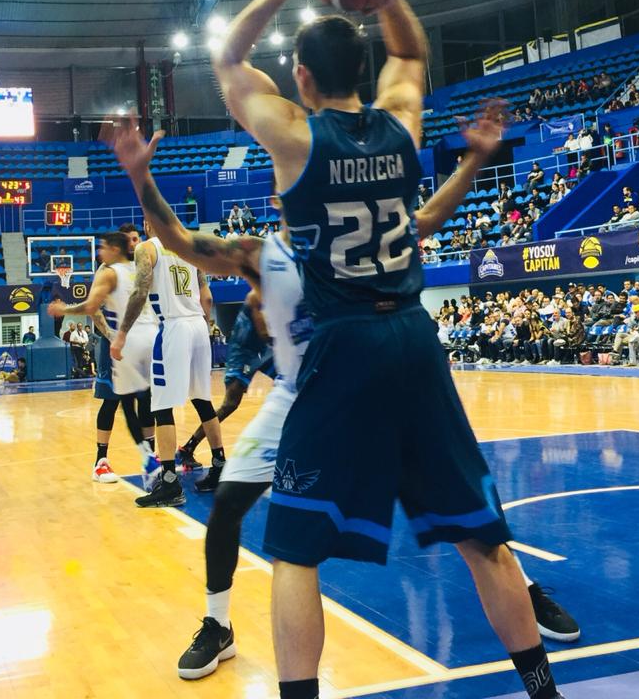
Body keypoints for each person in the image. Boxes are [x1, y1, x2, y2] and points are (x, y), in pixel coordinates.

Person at [210, 0, 562, 699]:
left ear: (301, 78)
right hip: (413, 335)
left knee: (296, 547)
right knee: (484, 538)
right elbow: (411, 55)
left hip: (343, 345)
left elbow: (228, 59)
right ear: (364, 71)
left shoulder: (294, 138)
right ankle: (543, 690)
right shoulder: (401, 122)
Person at [110, 107, 580, 681]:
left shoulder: (359, 236)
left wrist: (474, 161)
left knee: (469, 521)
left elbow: (427, 216)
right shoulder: (261, 253)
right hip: (297, 397)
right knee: (231, 507)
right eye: (286, 189)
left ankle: (524, 593)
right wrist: (141, 176)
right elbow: (179, 238)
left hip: (370, 381)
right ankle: (218, 624)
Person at [111, 215, 225, 508]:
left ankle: (171, 484)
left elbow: (139, 291)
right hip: (199, 326)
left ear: (149, 224)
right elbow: (207, 296)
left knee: (161, 404)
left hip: (174, 326)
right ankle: (220, 465)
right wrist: (205, 324)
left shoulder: (147, 248)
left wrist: (122, 332)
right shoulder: (190, 247)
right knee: (202, 400)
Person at [47, 232, 157, 483]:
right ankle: (103, 460)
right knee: (115, 401)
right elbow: (95, 311)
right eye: (131, 239)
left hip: (131, 339)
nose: (99, 251)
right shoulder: (107, 271)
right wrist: (110, 336)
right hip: (120, 340)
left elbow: (90, 305)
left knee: (143, 401)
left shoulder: (137, 267)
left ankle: (151, 457)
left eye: (103, 247)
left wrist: (63, 308)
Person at [174, 289, 273, 478]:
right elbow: (264, 329)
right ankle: (189, 448)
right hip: (246, 345)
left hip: (269, 344)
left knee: (294, 389)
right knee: (230, 404)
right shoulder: (260, 293)